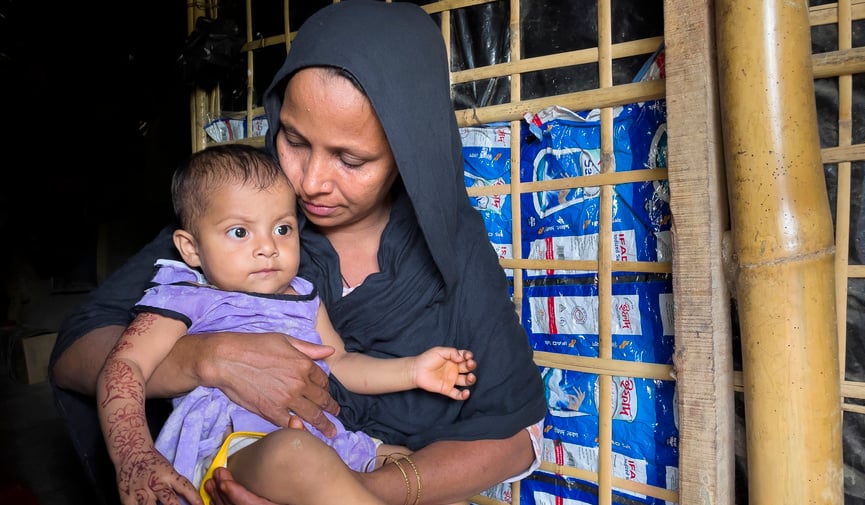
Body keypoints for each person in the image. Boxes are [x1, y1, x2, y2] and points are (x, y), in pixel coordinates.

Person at [50, 2, 549, 504]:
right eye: (293, 139)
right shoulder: (243, 208)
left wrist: (353, 488)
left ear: (409, 151)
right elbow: (78, 352)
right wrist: (209, 358)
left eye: (350, 159)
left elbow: (514, 436)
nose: (309, 183)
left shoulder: (451, 245)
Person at [96, 143, 478, 505]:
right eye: (240, 232)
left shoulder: (302, 296)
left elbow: (341, 363)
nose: (268, 246)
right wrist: (134, 455)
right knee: (296, 453)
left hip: (326, 442)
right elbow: (124, 365)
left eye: (282, 228)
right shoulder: (185, 297)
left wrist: (413, 370)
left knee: (425, 477)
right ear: (191, 248)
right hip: (236, 451)